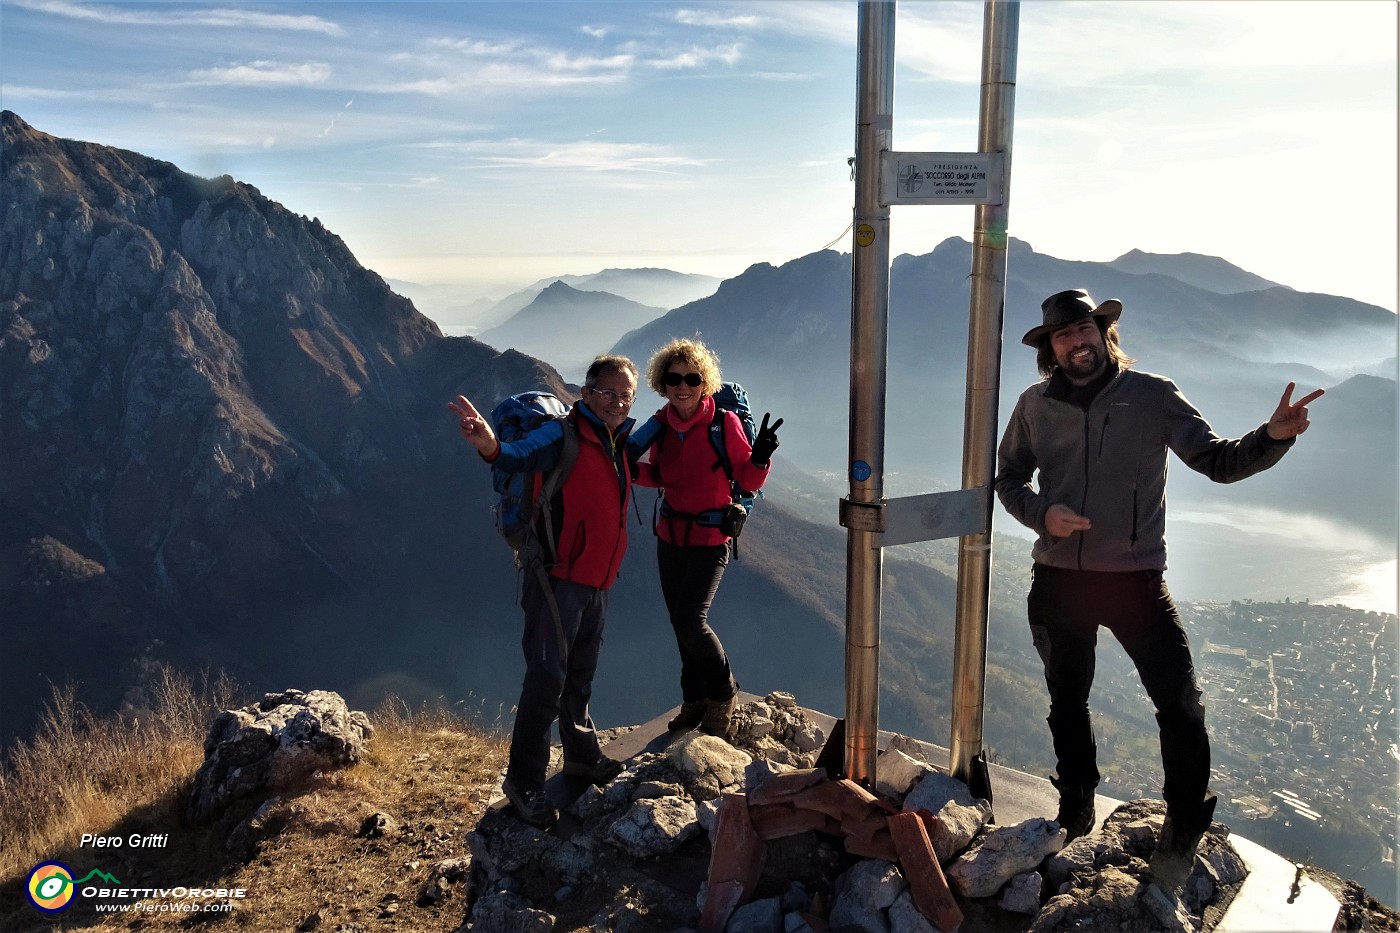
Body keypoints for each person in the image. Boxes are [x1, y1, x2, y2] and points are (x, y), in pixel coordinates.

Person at [993, 288, 1324, 887]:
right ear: (1050, 348)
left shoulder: (1152, 396)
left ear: (1104, 331)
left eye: (1084, 329)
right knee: (1066, 699)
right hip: (1059, 578)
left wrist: (1273, 437)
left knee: (1179, 702)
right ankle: (1075, 807)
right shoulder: (1035, 404)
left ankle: (1184, 827)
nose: (1076, 341)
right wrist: (1043, 515)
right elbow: (1009, 478)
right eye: (1062, 335)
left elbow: (1217, 461)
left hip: (1134, 581)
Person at [448, 355, 640, 828]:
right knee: (546, 678)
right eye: (609, 393)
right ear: (588, 392)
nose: (617, 402)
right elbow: (517, 455)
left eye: (626, 395)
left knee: (580, 672)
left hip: (597, 579)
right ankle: (524, 780)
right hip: (556, 577)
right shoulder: (563, 436)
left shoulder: (616, 441)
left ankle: (579, 755)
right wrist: (490, 446)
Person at [629, 338, 782, 740]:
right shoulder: (661, 426)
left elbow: (747, 478)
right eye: (674, 378)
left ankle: (722, 693)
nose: (683, 385)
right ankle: (693, 701)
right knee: (680, 624)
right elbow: (661, 476)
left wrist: (761, 455)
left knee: (689, 620)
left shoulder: (723, 424)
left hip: (711, 538)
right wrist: (627, 472)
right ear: (663, 382)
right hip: (670, 536)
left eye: (692, 378)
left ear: (704, 382)